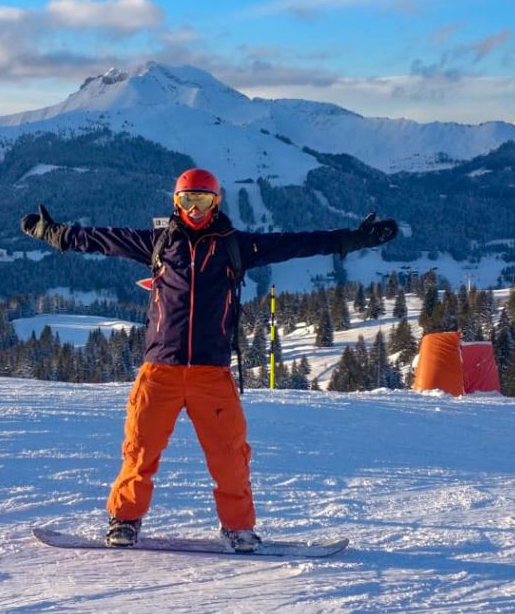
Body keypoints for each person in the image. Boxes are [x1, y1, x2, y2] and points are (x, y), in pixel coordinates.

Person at [20, 167, 397, 551]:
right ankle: (125, 520)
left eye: (203, 201)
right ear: (176, 203)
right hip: (160, 371)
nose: (195, 210)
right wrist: (52, 233)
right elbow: (101, 239)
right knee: (139, 451)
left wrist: (353, 240)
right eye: (188, 201)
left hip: (211, 374)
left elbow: (297, 243)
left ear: (216, 203)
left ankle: (238, 528)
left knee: (229, 457)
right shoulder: (158, 244)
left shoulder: (237, 246)